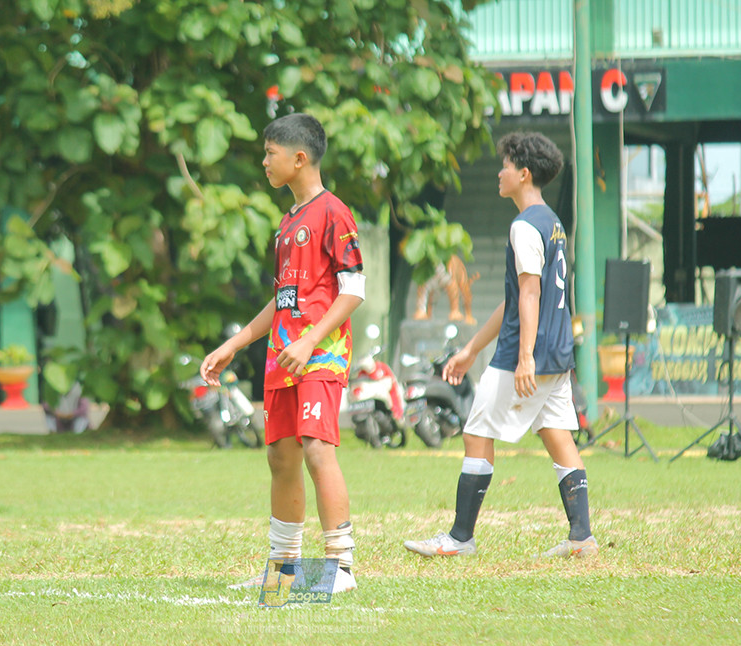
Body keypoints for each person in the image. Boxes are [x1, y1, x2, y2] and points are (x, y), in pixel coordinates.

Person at [404, 132, 598, 559]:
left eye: (506, 165)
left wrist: (524, 355)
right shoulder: (552, 223)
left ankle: (459, 538)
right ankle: (581, 539)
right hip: (558, 349)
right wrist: (472, 348)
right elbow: (515, 297)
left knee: (475, 433)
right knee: (558, 436)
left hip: (522, 352)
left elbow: (529, 296)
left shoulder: (524, 225)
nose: (500, 172)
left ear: (524, 173)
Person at [201, 113, 365, 592]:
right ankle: (283, 570)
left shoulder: (334, 211)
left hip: (320, 353)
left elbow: (353, 290)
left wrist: (312, 339)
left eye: (270, 153)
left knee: (317, 450)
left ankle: (341, 567)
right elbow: (284, 300)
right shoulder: (288, 221)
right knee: (281, 458)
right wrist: (235, 343)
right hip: (281, 356)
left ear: (299, 158)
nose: (264, 161)